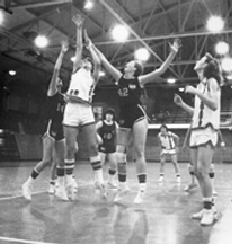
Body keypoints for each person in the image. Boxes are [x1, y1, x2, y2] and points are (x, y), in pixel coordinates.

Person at [95, 39, 180, 204]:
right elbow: (105, 61)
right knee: (119, 155)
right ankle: (123, 186)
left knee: (138, 153)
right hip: (124, 117)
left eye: (130, 62)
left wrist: (173, 53)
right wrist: (92, 45)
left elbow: (161, 70)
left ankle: (142, 189)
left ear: (134, 69)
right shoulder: (119, 77)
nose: (127, 63)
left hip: (139, 116)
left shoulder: (139, 80)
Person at [174, 52, 222, 226]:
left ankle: (209, 211)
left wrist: (195, 92)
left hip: (207, 130)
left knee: (202, 170)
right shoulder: (201, 85)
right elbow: (198, 113)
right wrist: (182, 105)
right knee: (196, 171)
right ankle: (208, 206)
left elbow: (214, 105)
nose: (197, 61)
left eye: (201, 60)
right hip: (196, 130)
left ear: (206, 66)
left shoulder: (211, 82)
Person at [62, 14, 105, 199]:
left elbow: (97, 62)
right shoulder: (75, 71)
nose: (86, 61)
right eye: (84, 60)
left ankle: (99, 179)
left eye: (87, 61)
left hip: (86, 111)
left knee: (93, 146)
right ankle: (69, 182)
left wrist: (90, 46)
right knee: (70, 149)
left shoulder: (93, 77)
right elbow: (78, 48)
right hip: (71, 110)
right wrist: (79, 28)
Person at [22, 40, 68, 201]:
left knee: (61, 161)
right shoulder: (52, 92)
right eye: (56, 79)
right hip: (50, 126)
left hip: (61, 128)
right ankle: (28, 183)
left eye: (60, 79)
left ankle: (60, 188)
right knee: (47, 160)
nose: (59, 79)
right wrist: (62, 53)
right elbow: (56, 69)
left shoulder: (64, 97)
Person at [96, 109, 119, 188]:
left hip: (111, 145)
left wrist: (117, 145)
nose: (109, 116)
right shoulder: (101, 123)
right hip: (103, 145)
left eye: (111, 115)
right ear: (105, 115)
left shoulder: (115, 124)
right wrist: (98, 138)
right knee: (100, 164)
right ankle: (99, 181)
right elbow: (93, 131)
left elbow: (117, 134)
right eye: (107, 114)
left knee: (113, 164)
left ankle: (110, 181)